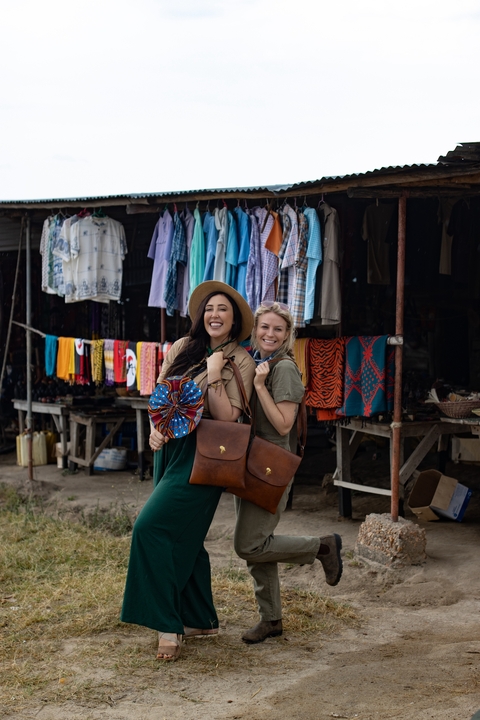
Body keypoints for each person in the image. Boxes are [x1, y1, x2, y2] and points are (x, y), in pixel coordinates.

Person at [121, 280, 255, 661]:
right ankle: (200, 619)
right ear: (201, 315)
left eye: (223, 310)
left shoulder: (240, 360)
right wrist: (154, 430)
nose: (215, 315)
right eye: (210, 308)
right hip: (171, 449)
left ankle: (169, 623)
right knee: (189, 538)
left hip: (208, 454)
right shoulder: (182, 347)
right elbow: (161, 394)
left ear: (233, 321)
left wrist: (215, 373)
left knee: (150, 527)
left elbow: (229, 417)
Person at [233, 300, 343, 644]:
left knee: (248, 544)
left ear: (287, 334)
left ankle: (322, 547)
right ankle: (271, 619)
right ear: (255, 330)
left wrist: (261, 388)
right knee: (258, 543)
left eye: (278, 329)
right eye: (264, 327)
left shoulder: (282, 369)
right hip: (253, 460)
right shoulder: (258, 362)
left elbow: (282, 423)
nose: (270, 333)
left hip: (271, 464)